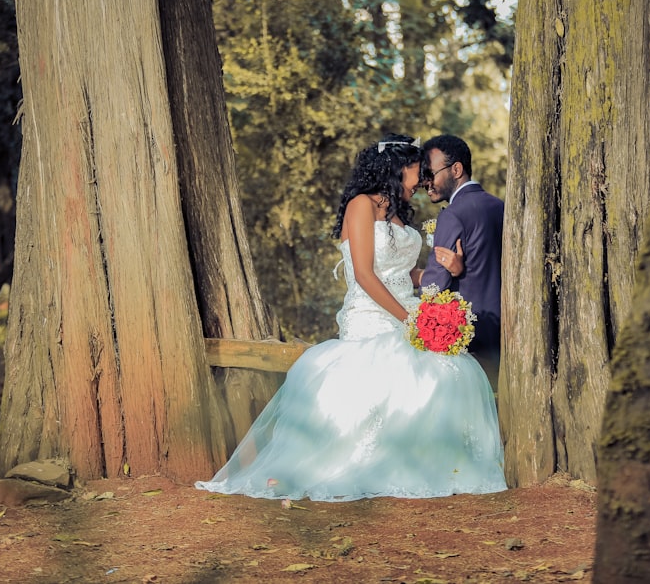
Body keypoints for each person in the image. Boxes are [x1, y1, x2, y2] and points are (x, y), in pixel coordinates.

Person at [196, 134, 506, 502]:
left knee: (449, 372)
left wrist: (443, 272)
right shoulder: (360, 205)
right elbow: (364, 274)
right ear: (396, 169)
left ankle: (418, 463)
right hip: (372, 317)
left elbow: (401, 272)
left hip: (404, 308)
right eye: (415, 171)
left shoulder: (398, 213)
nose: (421, 180)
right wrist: (410, 318)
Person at [418, 135, 504, 392]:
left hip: (469, 338)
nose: (426, 183)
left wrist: (416, 277)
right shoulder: (500, 207)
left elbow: (433, 287)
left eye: (430, 173)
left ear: (456, 169)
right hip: (506, 330)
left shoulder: (453, 215)